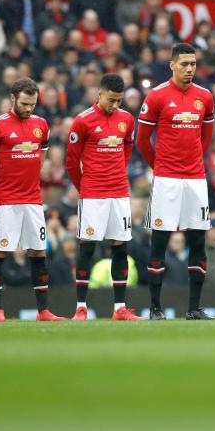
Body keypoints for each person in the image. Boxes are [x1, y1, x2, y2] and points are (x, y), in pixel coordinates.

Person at [137, 43, 215, 320]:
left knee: (198, 241)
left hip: (195, 179)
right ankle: (155, 308)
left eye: (193, 64)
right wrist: (159, 166)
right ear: (172, 65)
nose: (190, 69)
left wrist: (194, 160)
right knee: (159, 242)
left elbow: (206, 137)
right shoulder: (157, 96)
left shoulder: (204, 97)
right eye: (184, 64)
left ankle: (194, 308)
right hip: (167, 179)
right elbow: (142, 140)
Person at [0, 78, 65, 322]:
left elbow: (42, 153)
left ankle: (43, 311)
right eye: (25, 103)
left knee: (38, 252)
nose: (29, 109)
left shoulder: (41, 124)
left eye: (33, 104)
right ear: (13, 98)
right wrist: (2, 187)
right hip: (6, 201)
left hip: (33, 200)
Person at [66, 74, 142, 321]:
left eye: (119, 101)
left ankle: (120, 308)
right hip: (93, 195)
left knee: (120, 247)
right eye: (111, 100)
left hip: (119, 193)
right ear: (99, 94)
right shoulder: (83, 121)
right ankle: (80, 307)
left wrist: (117, 171)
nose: (115, 105)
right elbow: (71, 161)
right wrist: (85, 187)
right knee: (87, 248)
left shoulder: (127, 120)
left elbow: (127, 147)